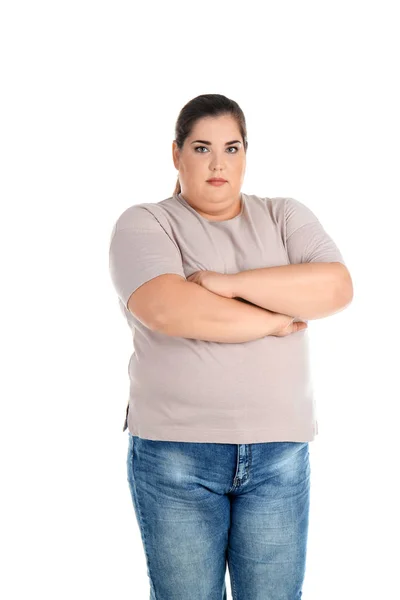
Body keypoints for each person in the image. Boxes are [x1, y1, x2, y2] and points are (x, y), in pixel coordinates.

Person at [108, 93, 353, 600]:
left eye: (231, 147)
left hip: (279, 454)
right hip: (177, 455)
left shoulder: (285, 215)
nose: (218, 163)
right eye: (201, 148)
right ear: (175, 154)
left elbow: (334, 288)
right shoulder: (146, 222)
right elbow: (170, 309)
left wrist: (223, 283)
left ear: (246, 154)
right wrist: (275, 317)